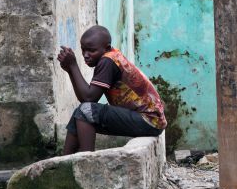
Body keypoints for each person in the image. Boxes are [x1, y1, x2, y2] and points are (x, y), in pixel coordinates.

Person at [57, 25, 167, 155]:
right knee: (79, 113)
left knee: (85, 110)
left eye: (91, 51)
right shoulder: (111, 56)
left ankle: (86, 163)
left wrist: (73, 66)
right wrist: (70, 70)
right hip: (149, 120)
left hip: (148, 120)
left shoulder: (107, 61)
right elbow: (85, 98)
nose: (86, 55)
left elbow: (89, 98)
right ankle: (64, 161)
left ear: (107, 48)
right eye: (83, 50)